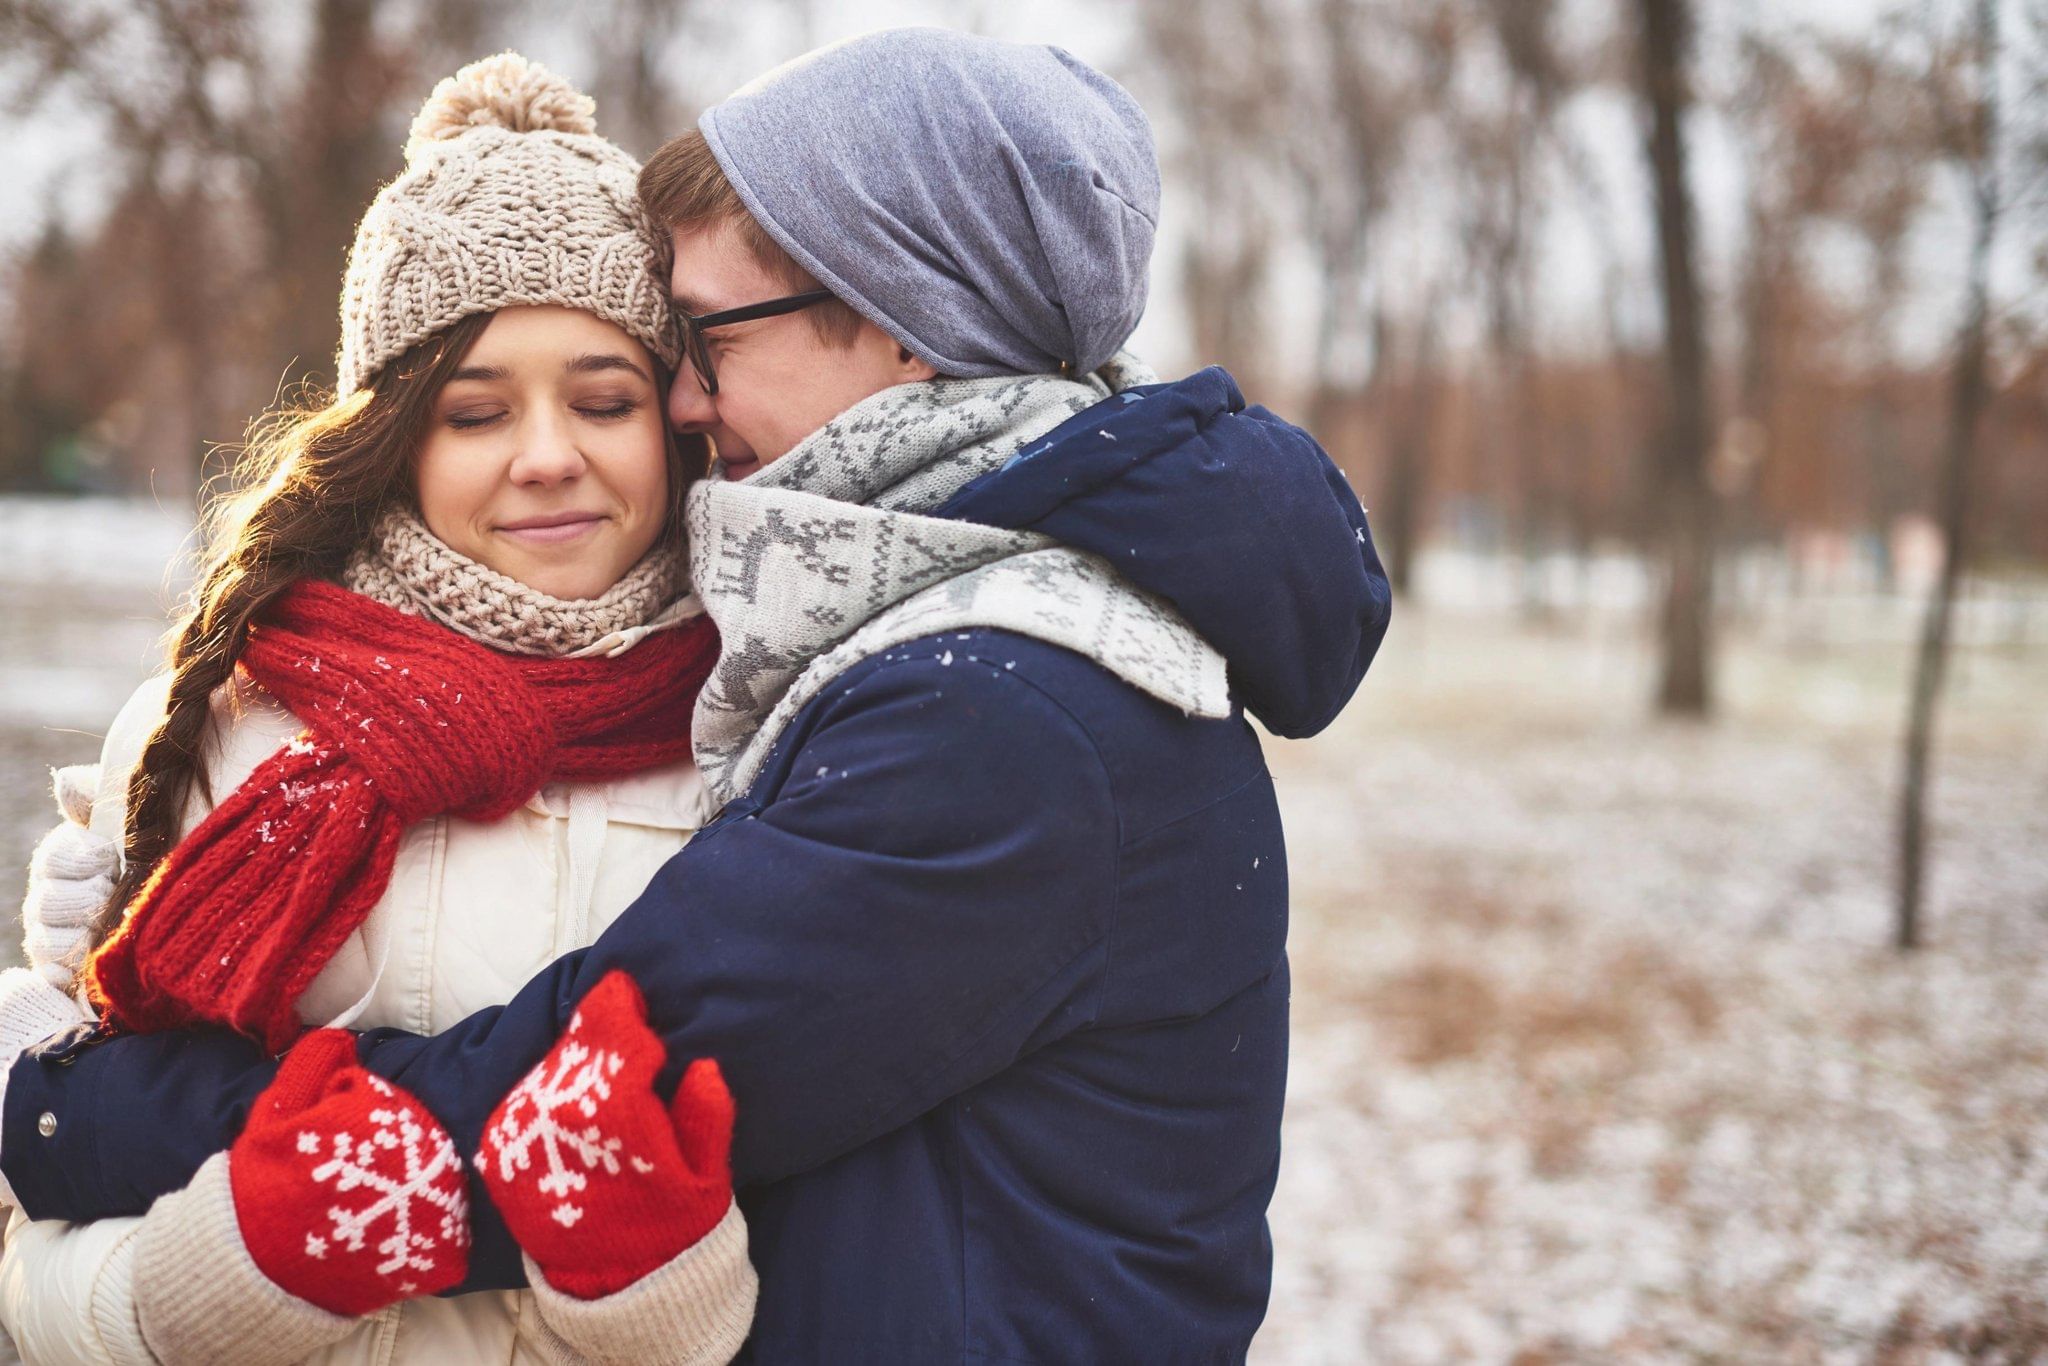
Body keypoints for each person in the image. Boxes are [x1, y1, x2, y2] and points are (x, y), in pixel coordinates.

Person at [4, 28, 1393, 1362]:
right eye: (476, 407)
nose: (682, 400)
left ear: (906, 325)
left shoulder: (1002, 716)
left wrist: (79, 1107)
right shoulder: (902, 641)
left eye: (707, 339)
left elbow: (593, 1100)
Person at [0, 54, 757, 1365]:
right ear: (397, 435)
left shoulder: (751, 737)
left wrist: (649, 1282)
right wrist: (228, 1273)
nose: (545, 453)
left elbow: (796, 1247)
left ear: (674, 420)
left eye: (603, 398)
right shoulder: (224, 722)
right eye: (473, 410)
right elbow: (38, 1251)